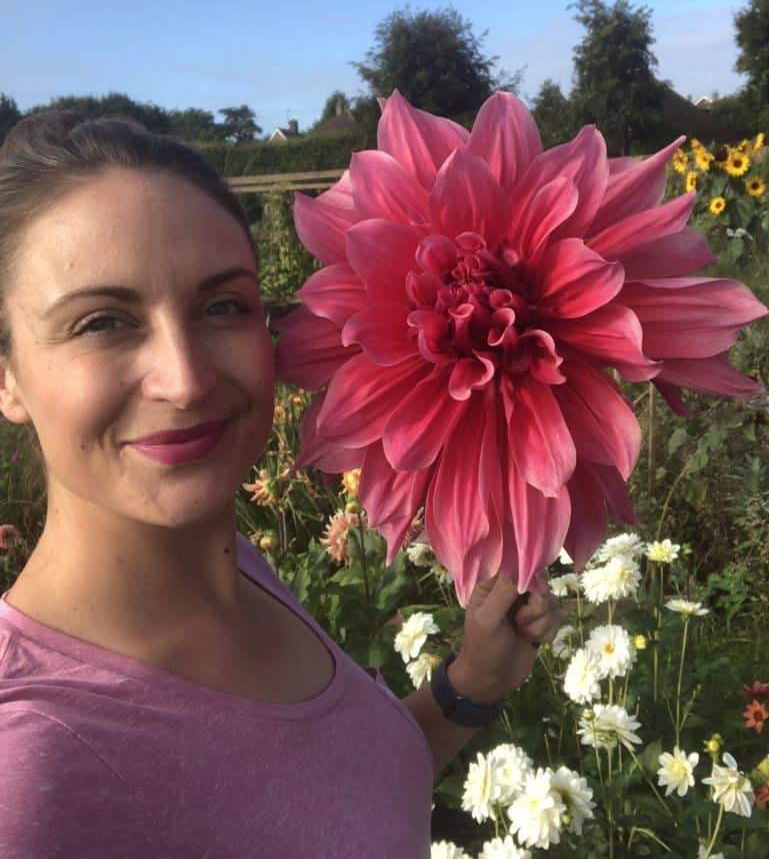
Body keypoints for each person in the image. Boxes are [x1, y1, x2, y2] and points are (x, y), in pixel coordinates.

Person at [0, 112, 560, 858]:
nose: (187, 378)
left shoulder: (232, 570)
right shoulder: (31, 769)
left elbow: (327, 802)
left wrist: (470, 686)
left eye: (221, 307)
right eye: (102, 322)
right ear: (7, 376)